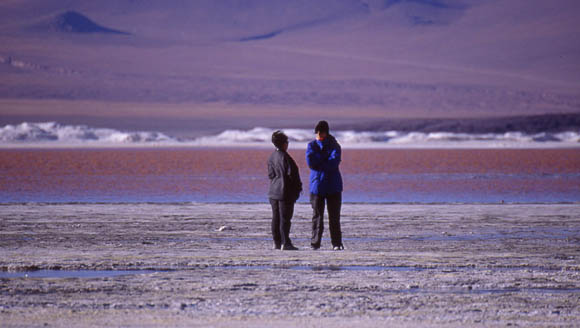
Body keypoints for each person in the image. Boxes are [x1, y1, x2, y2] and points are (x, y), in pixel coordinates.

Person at [306, 120, 344, 251]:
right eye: (317, 133)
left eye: (320, 132)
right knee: (317, 216)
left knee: (334, 217)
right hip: (317, 186)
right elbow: (310, 162)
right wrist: (324, 161)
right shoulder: (311, 145)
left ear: (326, 133)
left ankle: (337, 243)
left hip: (333, 187)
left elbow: (334, 162)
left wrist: (320, 163)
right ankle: (315, 243)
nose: (318, 135)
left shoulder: (335, 146)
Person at [268, 130, 302, 251]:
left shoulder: (272, 157)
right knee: (285, 219)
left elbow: (271, 175)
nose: (287, 144)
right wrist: (298, 189)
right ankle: (285, 242)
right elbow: (293, 175)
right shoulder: (285, 157)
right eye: (287, 142)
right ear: (283, 143)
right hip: (285, 192)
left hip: (273, 191)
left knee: (276, 218)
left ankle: (277, 242)